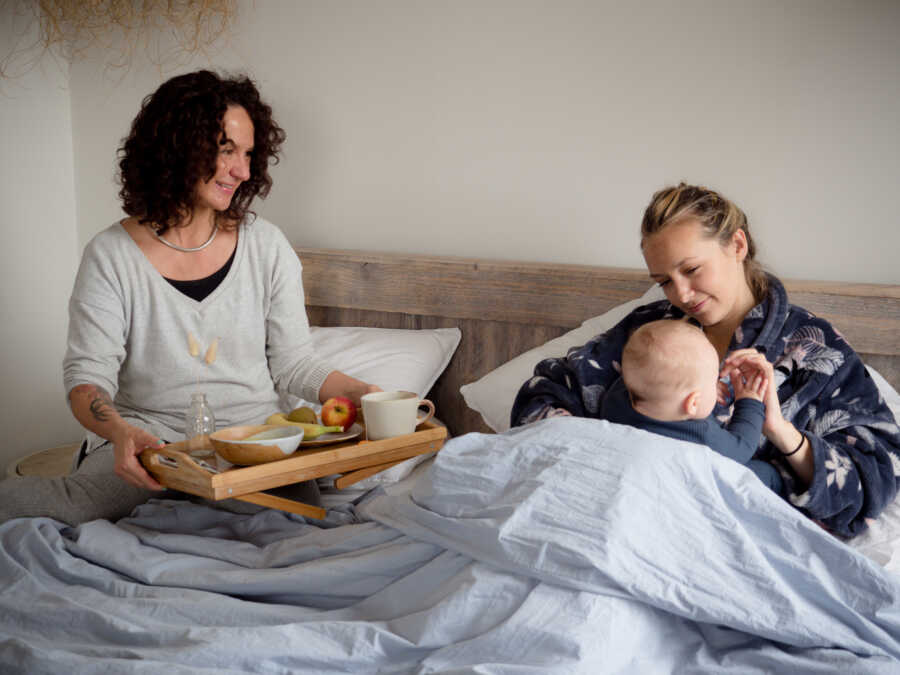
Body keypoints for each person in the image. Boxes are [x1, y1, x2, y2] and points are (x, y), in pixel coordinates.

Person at [0, 70, 378, 525]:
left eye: (248, 154)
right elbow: (86, 380)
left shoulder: (267, 246)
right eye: (226, 151)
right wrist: (119, 432)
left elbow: (294, 364)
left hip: (254, 442)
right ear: (179, 147)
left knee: (297, 527)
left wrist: (362, 393)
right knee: (67, 509)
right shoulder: (111, 255)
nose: (242, 170)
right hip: (152, 446)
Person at [511, 182, 900, 538]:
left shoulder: (815, 350)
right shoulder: (650, 329)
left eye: (692, 269)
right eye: (663, 280)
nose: (680, 293)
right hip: (619, 521)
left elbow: (878, 478)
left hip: (742, 541)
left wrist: (783, 434)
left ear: (737, 245)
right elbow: (544, 394)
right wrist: (611, 463)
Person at [601, 319, 782, 493]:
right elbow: (742, 447)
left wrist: (700, 386)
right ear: (693, 403)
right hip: (685, 486)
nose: (717, 382)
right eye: (714, 380)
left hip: (639, 472)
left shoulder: (616, 400)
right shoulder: (702, 435)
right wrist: (749, 401)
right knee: (767, 474)